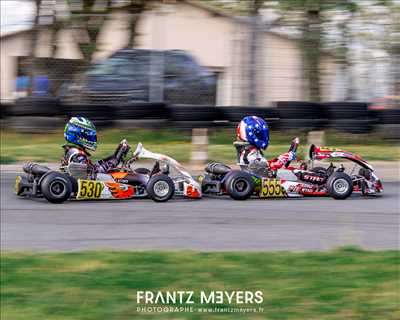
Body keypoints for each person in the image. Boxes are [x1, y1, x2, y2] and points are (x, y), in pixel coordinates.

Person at [62, 116, 130, 174]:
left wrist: (115, 156)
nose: (91, 137)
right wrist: (115, 160)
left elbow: (92, 167)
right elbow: (93, 173)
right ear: (77, 134)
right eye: (88, 134)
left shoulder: (72, 151)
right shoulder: (76, 153)